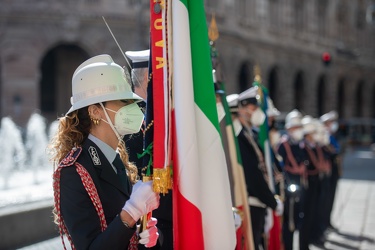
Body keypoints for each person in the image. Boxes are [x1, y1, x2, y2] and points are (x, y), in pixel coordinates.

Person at [48, 54, 160, 250]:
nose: (133, 107)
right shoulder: (74, 170)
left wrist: (149, 238)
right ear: (95, 111)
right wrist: (131, 213)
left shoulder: (117, 158)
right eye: (123, 101)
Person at [234, 87, 283, 250]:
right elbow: (253, 175)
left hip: (259, 204)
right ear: (241, 109)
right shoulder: (239, 138)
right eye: (253, 108)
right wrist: (271, 201)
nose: (256, 112)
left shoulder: (251, 135)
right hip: (250, 204)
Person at [277, 109, 308, 250]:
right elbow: (280, 166)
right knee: (288, 221)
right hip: (288, 187)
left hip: (300, 186)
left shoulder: (301, 145)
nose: (298, 130)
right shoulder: (283, 146)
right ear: (289, 128)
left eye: (300, 128)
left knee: (299, 219)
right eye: (296, 128)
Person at [320, 110, 341, 232]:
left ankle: (327, 221)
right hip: (327, 171)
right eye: (330, 122)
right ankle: (323, 222)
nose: (333, 124)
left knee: (331, 197)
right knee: (325, 199)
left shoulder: (333, 135)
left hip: (334, 170)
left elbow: (337, 150)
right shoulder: (323, 135)